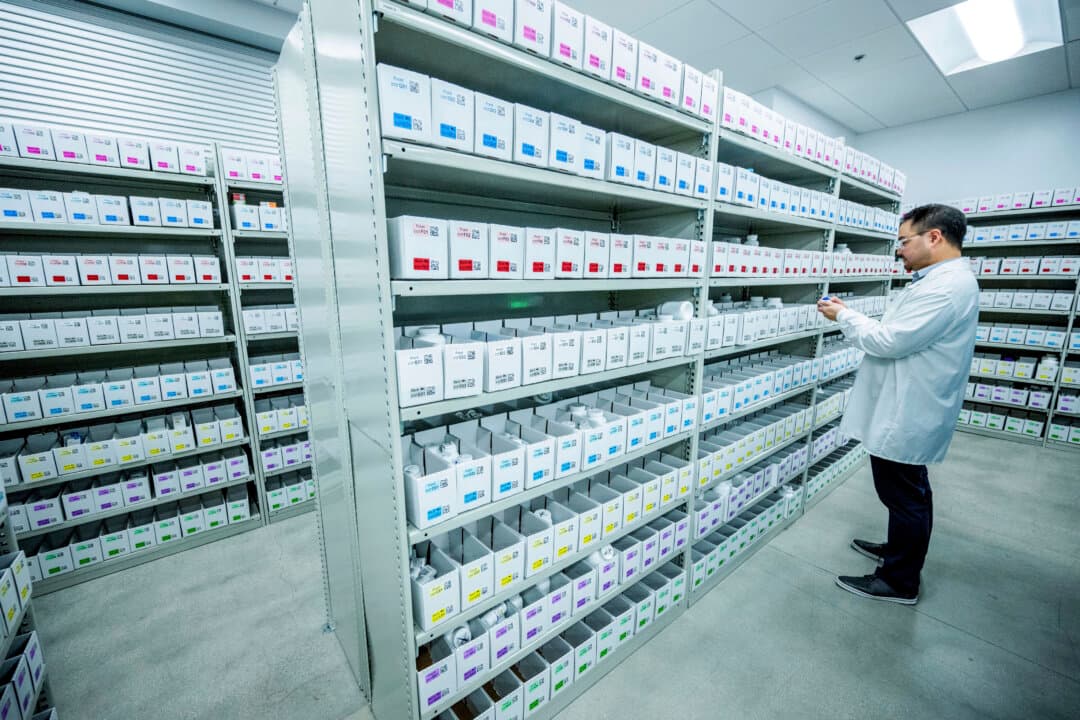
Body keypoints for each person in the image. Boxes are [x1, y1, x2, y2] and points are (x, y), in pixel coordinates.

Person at [816, 204, 979, 604]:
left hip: (910, 410)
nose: (899, 250)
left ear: (934, 237)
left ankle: (899, 580)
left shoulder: (946, 287)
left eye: (905, 241)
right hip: (909, 403)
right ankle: (898, 553)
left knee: (905, 495)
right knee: (908, 491)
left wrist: (844, 315)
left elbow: (890, 340)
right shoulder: (939, 280)